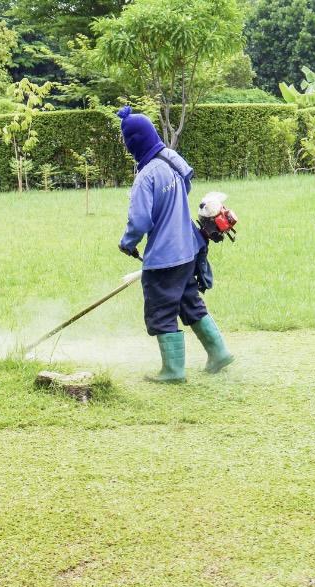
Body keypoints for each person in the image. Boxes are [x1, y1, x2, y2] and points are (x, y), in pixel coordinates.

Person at [116, 106, 233, 383]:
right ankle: (219, 352)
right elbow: (187, 183)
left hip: (165, 257)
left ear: (134, 143)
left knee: (161, 308)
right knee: (189, 301)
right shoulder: (170, 160)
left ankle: (173, 371)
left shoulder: (146, 177)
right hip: (188, 249)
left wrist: (127, 243)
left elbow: (140, 220)